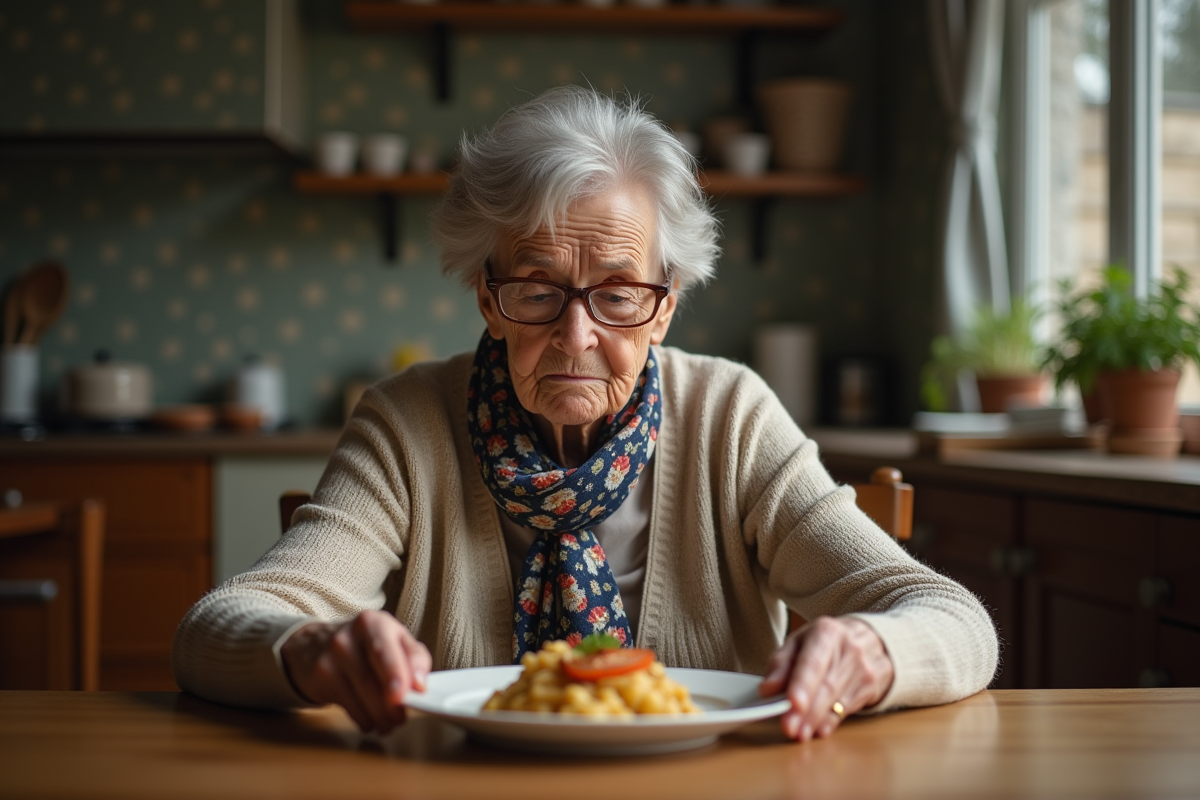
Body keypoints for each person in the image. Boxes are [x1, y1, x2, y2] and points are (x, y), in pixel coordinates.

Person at [173, 86, 997, 743]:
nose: (578, 335)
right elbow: (216, 628)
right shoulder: (407, 421)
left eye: (618, 294)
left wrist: (871, 650)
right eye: (537, 289)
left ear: (666, 307)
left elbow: (955, 620)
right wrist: (311, 648)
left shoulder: (731, 416)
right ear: (487, 298)